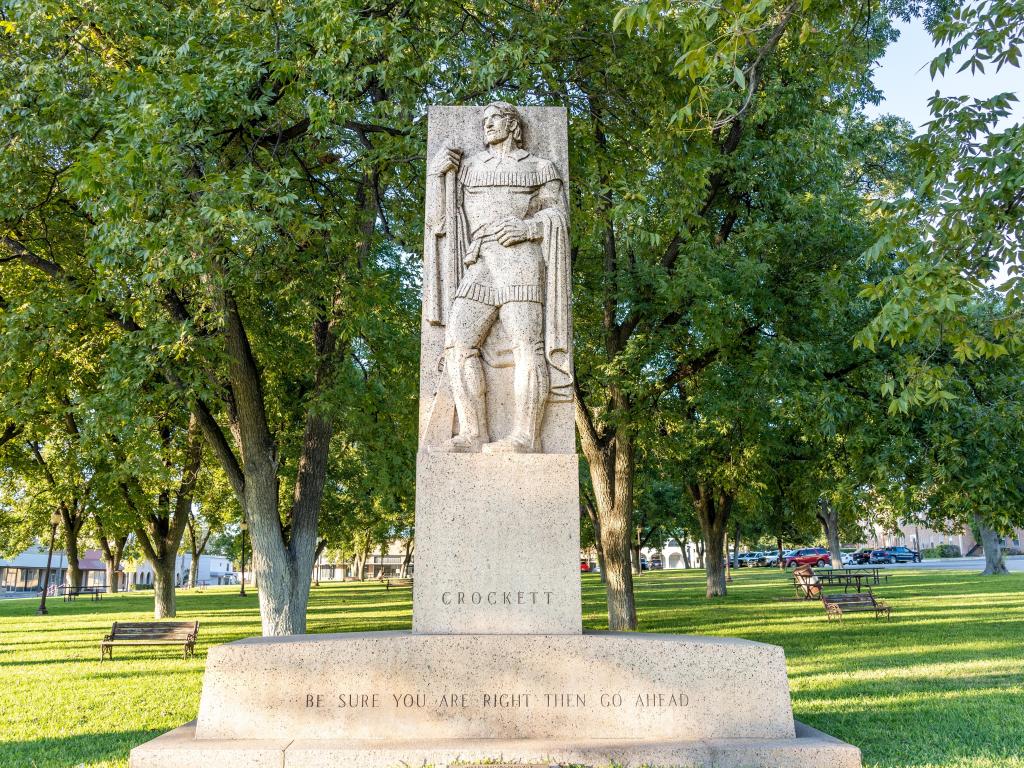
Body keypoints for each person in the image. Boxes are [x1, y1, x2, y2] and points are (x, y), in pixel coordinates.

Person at [424, 102, 572, 454]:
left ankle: (526, 436)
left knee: (527, 346)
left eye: (495, 119)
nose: (487, 125)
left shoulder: (540, 166)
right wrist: (436, 174)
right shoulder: (469, 168)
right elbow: (440, 222)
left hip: (521, 259)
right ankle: (474, 432)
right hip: (481, 260)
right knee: (458, 344)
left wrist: (528, 227)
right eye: (484, 121)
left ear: (513, 124)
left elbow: (559, 217)